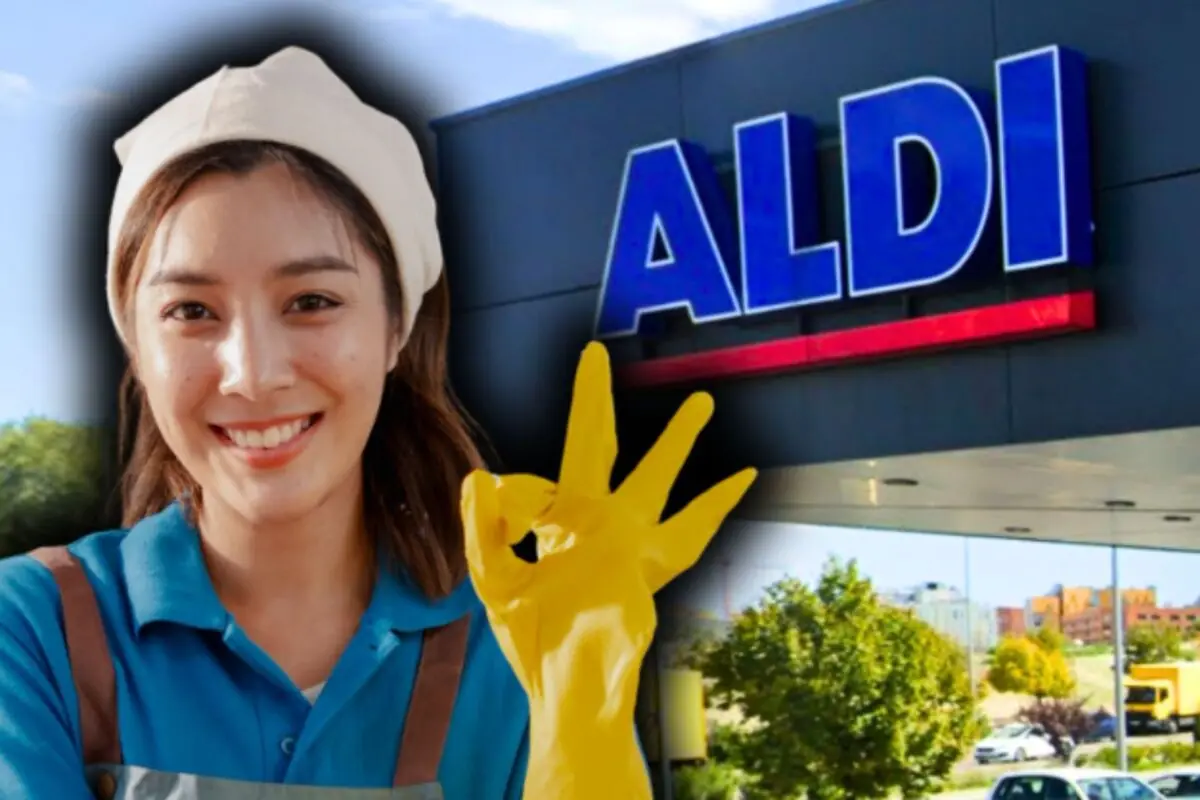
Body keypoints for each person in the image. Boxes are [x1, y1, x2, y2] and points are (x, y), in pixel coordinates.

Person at [0, 46, 754, 800]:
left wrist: (582, 721)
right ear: (135, 343)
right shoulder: (34, 632)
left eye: (312, 301)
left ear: (398, 325)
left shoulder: (525, 641)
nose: (254, 373)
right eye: (191, 312)